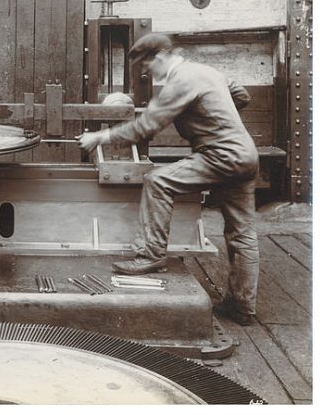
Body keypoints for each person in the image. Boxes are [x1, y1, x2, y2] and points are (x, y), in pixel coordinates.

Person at [76, 33, 260, 326]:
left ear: (160, 57)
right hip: (246, 155)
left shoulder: (181, 80)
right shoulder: (208, 71)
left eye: (148, 68)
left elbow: (147, 125)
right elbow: (242, 96)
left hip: (221, 156)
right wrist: (213, 118)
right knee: (242, 234)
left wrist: (101, 136)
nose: (150, 75)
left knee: (158, 180)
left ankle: (150, 255)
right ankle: (242, 308)